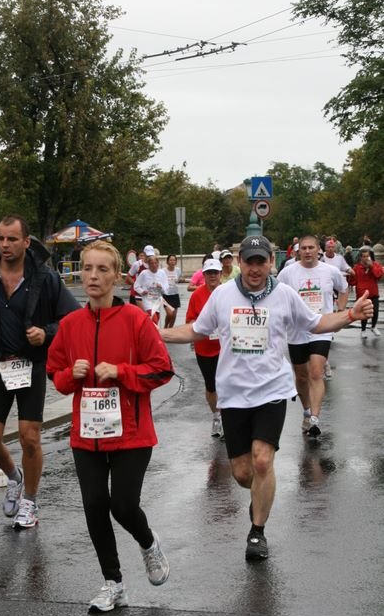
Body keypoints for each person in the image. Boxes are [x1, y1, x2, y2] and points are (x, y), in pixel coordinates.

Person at [160, 235, 373, 562]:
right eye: (250, 261)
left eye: (262, 261)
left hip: (272, 391)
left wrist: (349, 316)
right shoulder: (223, 295)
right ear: (240, 262)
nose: (256, 268)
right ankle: (259, 496)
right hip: (232, 395)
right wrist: (158, 334)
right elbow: (197, 330)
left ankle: (257, 531)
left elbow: (316, 323)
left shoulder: (284, 295)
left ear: (271, 262)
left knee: (262, 460)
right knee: (244, 473)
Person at [47, 240, 173, 613]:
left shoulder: (135, 320)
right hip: (86, 436)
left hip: (131, 434)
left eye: (102, 270)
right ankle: (113, 583)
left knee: (123, 505)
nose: (93, 276)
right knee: (94, 505)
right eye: (87, 268)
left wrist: (121, 372)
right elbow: (55, 374)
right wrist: (72, 374)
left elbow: (162, 368)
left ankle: (149, 544)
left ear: (117, 277)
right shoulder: (70, 325)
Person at [0, 214, 79, 529]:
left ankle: (31, 502)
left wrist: (46, 333)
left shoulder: (45, 277)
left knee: (30, 438)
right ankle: (14, 476)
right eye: (1, 239)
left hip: (31, 365)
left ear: (27, 242)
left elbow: (71, 319)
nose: (5, 245)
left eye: (12, 239)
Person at [278, 234, 348, 438]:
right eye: (303, 248)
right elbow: (276, 294)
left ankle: (315, 419)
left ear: (319, 249)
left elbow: (343, 290)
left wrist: (339, 311)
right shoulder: (288, 273)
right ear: (298, 251)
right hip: (296, 330)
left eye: (311, 248)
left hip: (321, 328)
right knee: (301, 375)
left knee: (316, 372)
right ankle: (307, 411)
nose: (307, 251)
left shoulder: (330, 271)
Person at [185, 258, 223, 437]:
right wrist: (201, 326)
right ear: (204, 275)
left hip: (226, 348)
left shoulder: (228, 293)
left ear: (221, 274)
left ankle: (228, 419)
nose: (212, 276)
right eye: (209, 273)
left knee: (227, 384)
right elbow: (190, 320)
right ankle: (216, 416)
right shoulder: (197, 295)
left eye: (215, 273)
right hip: (205, 348)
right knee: (211, 386)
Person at [348, 245, 383, 337]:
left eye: (367, 256)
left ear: (370, 256)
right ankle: (363, 330)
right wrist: (350, 275)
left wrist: (371, 267)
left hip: (374, 293)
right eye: (363, 256)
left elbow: (378, 276)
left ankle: (373, 326)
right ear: (360, 257)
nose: (365, 258)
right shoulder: (357, 267)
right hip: (362, 294)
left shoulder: (375, 265)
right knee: (364, 313)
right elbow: (352, 282)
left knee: (375, 312)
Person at [133, 253, 172, 325]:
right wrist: (142, 291)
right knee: (154, 319)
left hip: (156, 300)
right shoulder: (144, 273)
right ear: (148, 264)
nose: (154, 265)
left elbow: (166, 288)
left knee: (155, 320)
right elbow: (136, 286)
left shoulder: (162, 273)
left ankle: (151, 334)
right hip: (147, 300)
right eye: (152, 263)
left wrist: (161, 287)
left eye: (155, 263)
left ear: (158, 263)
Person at [161, 253, 182, 327]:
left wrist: (181, 280)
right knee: (169, 314)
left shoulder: (178, 270)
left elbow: (178, 279)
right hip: (166, 295)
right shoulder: (163, 271)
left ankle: (170, 329)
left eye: (174, 260)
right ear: (167, 262)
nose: (172, 262)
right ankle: (165, 326)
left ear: (176, 262)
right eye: (171, 260)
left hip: (175, 295)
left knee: (174, 316)